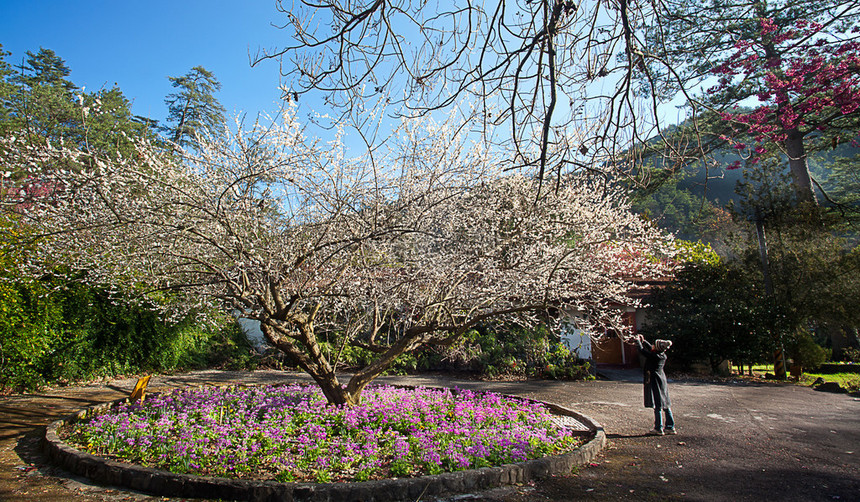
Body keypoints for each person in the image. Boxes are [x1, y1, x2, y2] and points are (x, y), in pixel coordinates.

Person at [635, 334, 676, 435]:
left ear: (656, 348)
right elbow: (651, 349)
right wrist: (644, 341)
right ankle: (670, 427)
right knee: (666, 403)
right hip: (662, 380)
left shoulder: (654, 356)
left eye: (654, 345)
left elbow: (642, 351)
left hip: (655, 381)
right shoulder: (661, 355)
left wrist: (638, 342)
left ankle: (658, 428)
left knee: (657, 405)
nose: (652, 345)